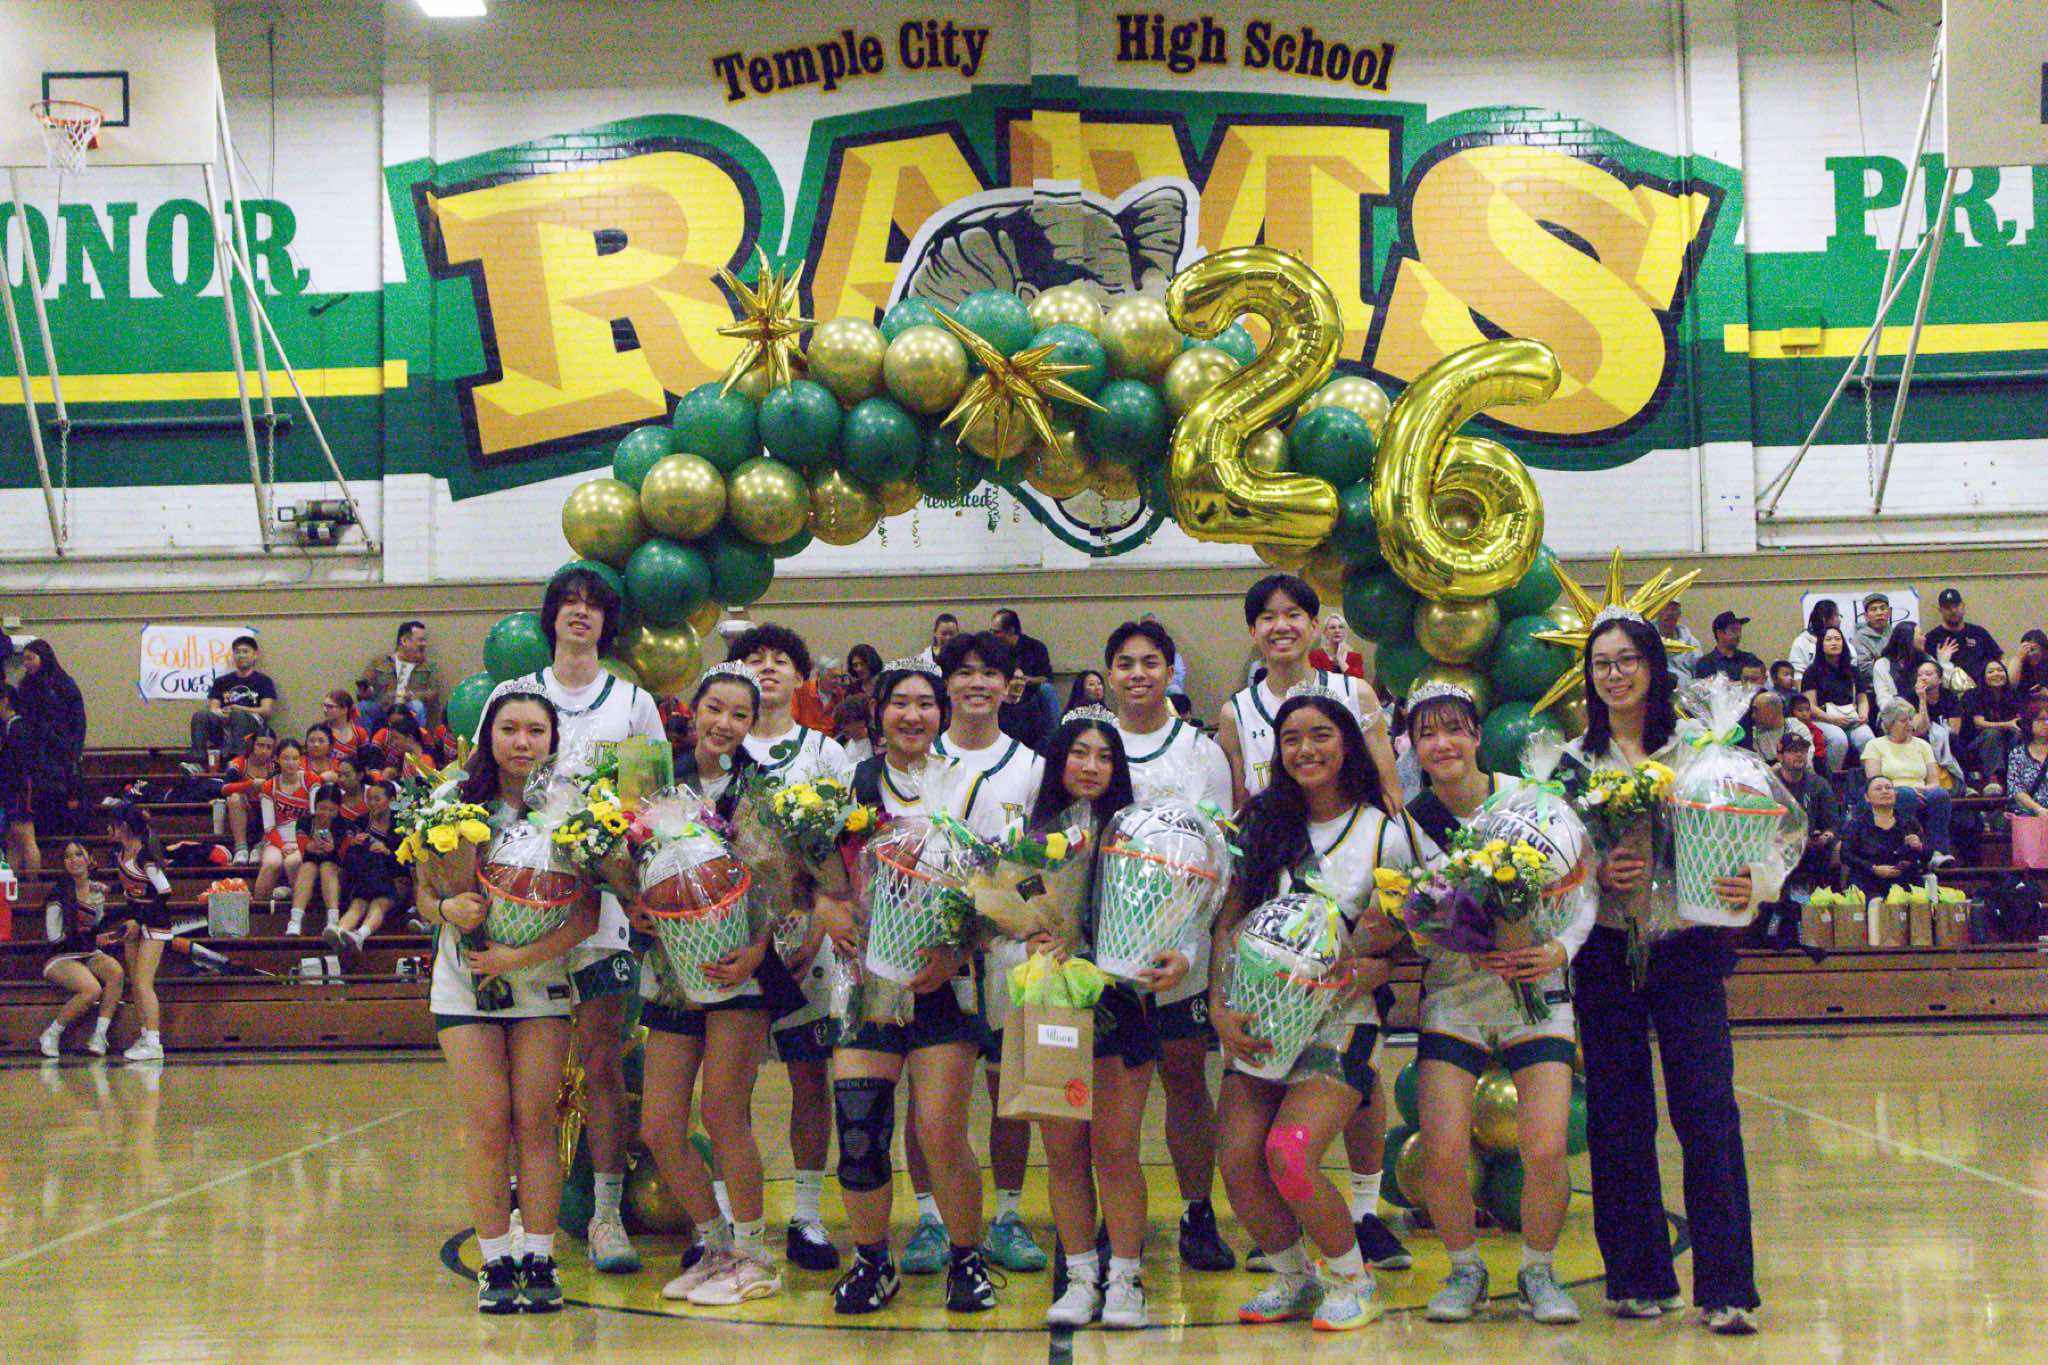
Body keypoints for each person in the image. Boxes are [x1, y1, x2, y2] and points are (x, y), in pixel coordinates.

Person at [1559, 614, 1776, 1336]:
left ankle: (1728, 1287)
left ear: (1653, 666)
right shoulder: (1571, 762)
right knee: (1619, 1116)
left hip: (1687, 947)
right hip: (1606, 951)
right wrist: (1595, 872)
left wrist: (1755, 881)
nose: (1614, 674)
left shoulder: (1701, 748)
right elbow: (1552, 867)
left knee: (1708, 1112)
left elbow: (1760, 834)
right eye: (1601, 663)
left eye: (1627, 660)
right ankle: (1637, 1277)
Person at [1210, 692, 1417, 1332]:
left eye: (1321, 734)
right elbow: (1228, 921)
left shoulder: (1386, 829)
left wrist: (1380, 964)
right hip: (1259, 1017)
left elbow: (1421, 932)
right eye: (1292, 738)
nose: (1306, 749)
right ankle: (1294, 1277)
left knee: (1290, 1154)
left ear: (1347, 743)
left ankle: (1353, 1279)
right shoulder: (1259, 823)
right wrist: (1218, 1005)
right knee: (1237, 1160)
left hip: (1342, 1021)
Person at [1400, 684, 1592, 1326]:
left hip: (1535, 988)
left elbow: (1583, 882)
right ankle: (1465, 1269)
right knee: (1442, 1151)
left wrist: (1559, 949)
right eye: (1427, 734)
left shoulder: (1528, 798)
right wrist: (1445, 935)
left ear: (1477, 735)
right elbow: (1407, 918)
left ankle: (1539, 1269)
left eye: (1454, 729)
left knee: (1545, 1148)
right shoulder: (1409, 824)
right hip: (1455, 996)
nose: (1443, 744)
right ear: (1413, 747)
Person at [501, 565, 667, 1276]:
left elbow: (650, 807)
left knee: (602, 1060)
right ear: (551, 616)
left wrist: (635, 884)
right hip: (524, 912)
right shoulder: (515, 696)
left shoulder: (632, 701)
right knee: (522, 1070)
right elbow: (486, 794)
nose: (580, 613)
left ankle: (605, 1215)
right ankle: (519, 1207)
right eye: (568, 602)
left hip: (604, 912)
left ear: (607, 622)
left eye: (593, 605)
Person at [822, 661, 1001, 1316]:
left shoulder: (968, 785)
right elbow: (814, 874)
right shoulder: (848, 785)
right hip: (865, 984)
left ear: (942, 713)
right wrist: (825, 907)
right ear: (879, 712)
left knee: (940, 1132)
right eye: (900, 702)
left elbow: (1004, 886)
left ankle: (967, 1258)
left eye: (926, 703)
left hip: (941, 983)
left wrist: (957, 949)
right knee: (860, 1129)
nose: (913, 715)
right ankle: (872, 1261)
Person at [421, 684, 596, 1314]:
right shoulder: (450, 803)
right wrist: (449, 909)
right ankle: (496, 1262)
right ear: (488, 735)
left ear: (552, 739)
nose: (522, 742)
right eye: (509, 729)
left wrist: (517, 958)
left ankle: (541, 1258)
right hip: (463, 985)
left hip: (540, 985)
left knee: (536, 1123)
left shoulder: (575, 810)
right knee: (488, 1125)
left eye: (535, 731)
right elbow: (423, 895)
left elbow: (586, 916)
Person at [640, 664, 806, 1306]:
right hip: (671, 971)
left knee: (723, 1114)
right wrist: (637, 903)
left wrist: (758, 949)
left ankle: (754, 1255)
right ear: (695, 709)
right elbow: (632, 862)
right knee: (660, 1123)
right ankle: (714, 1246)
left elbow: (781, 884)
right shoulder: (658, 780)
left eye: (740, 714)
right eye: (715, 708)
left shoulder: (764, 790)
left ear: (753, 723)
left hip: (739, 968)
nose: (724, 723)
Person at [1105, 618, 1239, 1272]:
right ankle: (1110, 1216)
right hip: (1104, 951)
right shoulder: (1089, 743)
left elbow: (1218, 855)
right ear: (1108, 674)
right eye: (1126, 662)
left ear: (1169, 670)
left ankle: (1197, 1209)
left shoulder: (1200, 752)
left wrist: (1187, 943)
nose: (1138, 673)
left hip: (1180, 949)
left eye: (1150, 661)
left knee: (1184, 1077)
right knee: (1107, 1087)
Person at [726, 623, 851, 1276]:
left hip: (804, 938)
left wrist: (819, 925)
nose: (768, 667)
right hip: (732, 939)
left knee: (809, 1074)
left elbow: (841, 850)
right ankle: (733, 1216)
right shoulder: (720, 746)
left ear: (802, 676)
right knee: (730, 1083)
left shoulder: (826, 753)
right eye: (754, 658)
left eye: (781, 659)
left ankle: (806, 1213)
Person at [1027, 712, 1156, 1329]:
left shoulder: (1140, 837)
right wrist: (1030, 937)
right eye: (1080, 753)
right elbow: (1007, 912)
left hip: (1121, 1005)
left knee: (1115, 1149)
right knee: (1063, 1151)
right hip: (1051, 1002)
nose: (1091, 766)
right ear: (1059, 761)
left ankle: (1126, 1278)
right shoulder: (1033, 839)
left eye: (1105, 757)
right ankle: (1080, 1276)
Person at [928, 632, 1049, 1276]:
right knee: (930, 1097)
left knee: (1010, 1090)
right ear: (946, 682)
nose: (977, 683)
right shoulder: (920, 757)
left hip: (1004, 950)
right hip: (930, 951)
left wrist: (1019, 915)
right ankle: (929, 1218)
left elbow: (1042, 866)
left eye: (990, 673)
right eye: (964, 672)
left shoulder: (1031, 766)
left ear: (1010, 685)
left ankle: (1007, 1213)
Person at [36, 840, 124, 1058]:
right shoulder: (58, 893)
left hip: (87, 952)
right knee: (92, 989)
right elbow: (54, 937)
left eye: (78, 854)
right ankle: (51, 1033)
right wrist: (87, 935)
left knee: (116, 972)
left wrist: (97, 934)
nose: (73, 860)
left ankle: (99, 1035)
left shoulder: (96, 890)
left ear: (89, 859)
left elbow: (96, 924)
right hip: (60, 956)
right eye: (68, 856)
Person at [1752, 731, 1839, 948]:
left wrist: (1826, 836)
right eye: (1792, 751)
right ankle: (1772, 923)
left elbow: (1833, 824)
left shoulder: (1818, 784)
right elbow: (1757, 824)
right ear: (1779, 755)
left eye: (1802, 751)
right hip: (1775, 847)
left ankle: (1819, 915)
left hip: (1811, 848)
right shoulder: (1768, 785)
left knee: (1838, 848)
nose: (1799, 755)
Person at [106, 802, 176, 1063]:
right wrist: (108, 889)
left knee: (144, 983)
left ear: (124, 827)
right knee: (135, 982)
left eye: (112, 825)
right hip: (135, 922)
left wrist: (140, 919)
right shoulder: (120, 853)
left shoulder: (146, 857)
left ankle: (154, 1044)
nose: (108, 830)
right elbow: (132, 887)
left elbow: (164, 892)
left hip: (154, 923)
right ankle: (145, 1034)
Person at [1863, 700, 1954, 865]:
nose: (1910, 724)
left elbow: (1934, 781)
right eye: (1903, 720)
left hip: (1922, 790)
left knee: (1940, 795)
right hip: (1891, 791)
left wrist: (1923, 789)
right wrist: (1905, 790)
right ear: (1890, 724)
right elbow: (1875, 781)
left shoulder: (1923, 745)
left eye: (1910, 719)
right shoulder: (1874, 745)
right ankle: (1907, 853)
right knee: (1906, 794)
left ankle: (1938, 851)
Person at [17, 640, 86, 840]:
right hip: (34, 753)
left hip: (60, 753)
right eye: (24, 659)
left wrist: (75, 750)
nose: (26, 663)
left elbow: (78, 720)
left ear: (44, 658)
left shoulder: (64, 684)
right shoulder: (26, 686)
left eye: (30, 658)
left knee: (58, 799)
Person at [329, 778, 403, 961]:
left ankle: (360, 934)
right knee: (359, 902)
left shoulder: (402, 823)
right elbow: (349, 860)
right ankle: (339, 931)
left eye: (377, 799)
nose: (372, 803)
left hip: (393, 880)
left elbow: (407, 863)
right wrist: (353, 844)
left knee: (379, 900)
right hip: (366, 877)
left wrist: (387, 851)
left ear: (392, 801)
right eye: (369, 799)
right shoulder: (361, 822)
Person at [188, 635, 277, 770]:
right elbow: (213, 708)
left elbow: (266, 711)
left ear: (255, 655)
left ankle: (236, 762)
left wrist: (239, 708)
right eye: (237, 652)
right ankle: (198, 762)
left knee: (237, 714)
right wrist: (223, 712)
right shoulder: (221, 681)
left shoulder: (264, 681)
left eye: (245, 651)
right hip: (224, 721)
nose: (241, 655)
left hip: (252, 724)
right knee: (200, 715)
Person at [1841, 775, 1925, 901]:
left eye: (1888, 788)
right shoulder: (1856, 823)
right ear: (1867, 797)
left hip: (1903, 880)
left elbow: (1927, 855)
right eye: (1878, 789)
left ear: (1895, 795)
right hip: (1867, 879)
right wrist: (1873, 868)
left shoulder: (1909, 822)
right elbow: (1846, 855)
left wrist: (1919, 846)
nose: (1884, 791)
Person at [1803, 627, 1872, 772]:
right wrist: (1831, 719)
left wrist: (1863, 715)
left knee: (1867, 739)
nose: (1834, 643)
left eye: (1837, 639)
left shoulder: (1853, 670)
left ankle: (1870, 779)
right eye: (1828, 639)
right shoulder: (1812, 672)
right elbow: (1810, 705)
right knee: (1838, 739)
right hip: (1823, 719)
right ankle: (1833, 780)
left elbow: (1862, 699)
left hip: (1851, 718)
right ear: (1821, 645)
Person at [289, 784, 351, 938]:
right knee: (308, 867)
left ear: (339, 809)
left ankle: (333, 920)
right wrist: (311, 846)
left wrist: (334, 849)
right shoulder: (304, 822)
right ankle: (295, 920)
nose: (326, 814)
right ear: (315, 806)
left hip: (337, 875)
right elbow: (304, 852)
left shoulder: (345, 825)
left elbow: (345, 859)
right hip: (310, 872)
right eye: (322, 808)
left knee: (326, 866)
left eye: (331, 810)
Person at [357, 620, 442, 732]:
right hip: (383, 708)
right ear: (404, 641)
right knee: (363, 706)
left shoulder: (429, 666)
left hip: (408, 710)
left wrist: (413, 696)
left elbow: (434, 692)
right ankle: (367, 742)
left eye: (424, 640)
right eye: (420, 640)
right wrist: (366, 692)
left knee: (417, 706)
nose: (424, 644)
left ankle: (414, 740)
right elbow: (361, 691)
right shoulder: (380, 662)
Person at [1959, 658, 2022, 793]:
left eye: (2000, 670)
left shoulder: (2012, 695)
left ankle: (2017, 777)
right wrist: (2008, 724)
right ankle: (1993, 780)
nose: (1996, 674)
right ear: (1983, 676)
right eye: (1991, 671)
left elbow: (2018, 721)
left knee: (2018, 734)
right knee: (1992, 733)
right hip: (1976, 746)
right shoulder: (1973, 695)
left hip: (2005, 743)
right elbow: (1979, 724)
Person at [992, 608, 1059, 735]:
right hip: (1004, 692)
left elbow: (1047, 678)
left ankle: (1055, 737)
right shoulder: (994, 650)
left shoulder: (1035, 648)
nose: (993, 636)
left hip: (1031, 692)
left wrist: (1027, 680)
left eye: (997, 632)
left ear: (1011, 630)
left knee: (1046, 690)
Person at [223, 733, 280, 865]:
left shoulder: (275, 766)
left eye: (269, 747)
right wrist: (250, 784)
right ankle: (241, 849)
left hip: (269, 814)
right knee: (234, 798)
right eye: (260, 745)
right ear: (252, 745)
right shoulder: (239, 763)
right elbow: (224, 789)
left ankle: (261, 846)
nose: (264, 751)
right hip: (245, 813)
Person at [1923, 588, 2001, 684]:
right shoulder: (1932, 638)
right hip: (1947, 690)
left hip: (1980, 689)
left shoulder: (1978, 633)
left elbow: (1999, 659)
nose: (1953, 611)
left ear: (1963, 606)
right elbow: (1925, 671)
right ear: (1940, 610)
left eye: (1956, 606)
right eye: (1947, 608)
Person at [0, 684, 35, 879]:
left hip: (20, 789)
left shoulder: (19, 728)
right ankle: (10, 884)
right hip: (11, 790)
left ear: (5, 700)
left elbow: (20, 765)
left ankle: (34, 885)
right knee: (12, 839)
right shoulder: (8, 728)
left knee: (26, 835)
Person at [1691, 612, 1763, 682]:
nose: (1738, 635)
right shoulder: (1706, 663)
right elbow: (1705, 687)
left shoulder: (1749, 658)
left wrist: (1757, 673)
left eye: (1739, 630)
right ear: (1719, 633)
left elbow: (1764, 677)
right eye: (1733, 630)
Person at [2005, 704, 2048, 816]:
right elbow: (2015, 789)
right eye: (2040, 719)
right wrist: (2039, 809)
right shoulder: (2018, 754)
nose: (2045, 724)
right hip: (2029, 815)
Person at [1785, 600, 1840, 677]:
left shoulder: (1841, 642)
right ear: (1824, 619)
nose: (1839, 620)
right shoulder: (1801, 643)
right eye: (1836, 615)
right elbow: (1797, 675)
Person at [319, 690, 373, 765]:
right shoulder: (319, 731)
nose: (324, 710)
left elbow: (365, 763)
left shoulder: (359, 733)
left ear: (344, 710)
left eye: (330, 707)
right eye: (324, 706)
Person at [1851, 593, 1894, 682]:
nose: (1879, 613)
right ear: (1866, 616)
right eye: (1873, 609)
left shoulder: (1897, 634)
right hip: (1872, 687)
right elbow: (1864, 669)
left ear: (1889, 612)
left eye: (1883, 608)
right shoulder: (1860, 638)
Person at [1310, 613, 1367, 678]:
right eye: (1332, 628)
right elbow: (1316, 679)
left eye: (1341, 627)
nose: (1337, 631)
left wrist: (1341, 661)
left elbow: (1358, 680)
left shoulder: (1355, 657)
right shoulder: (1316, 656)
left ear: (1345, 632)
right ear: (1325, 632)